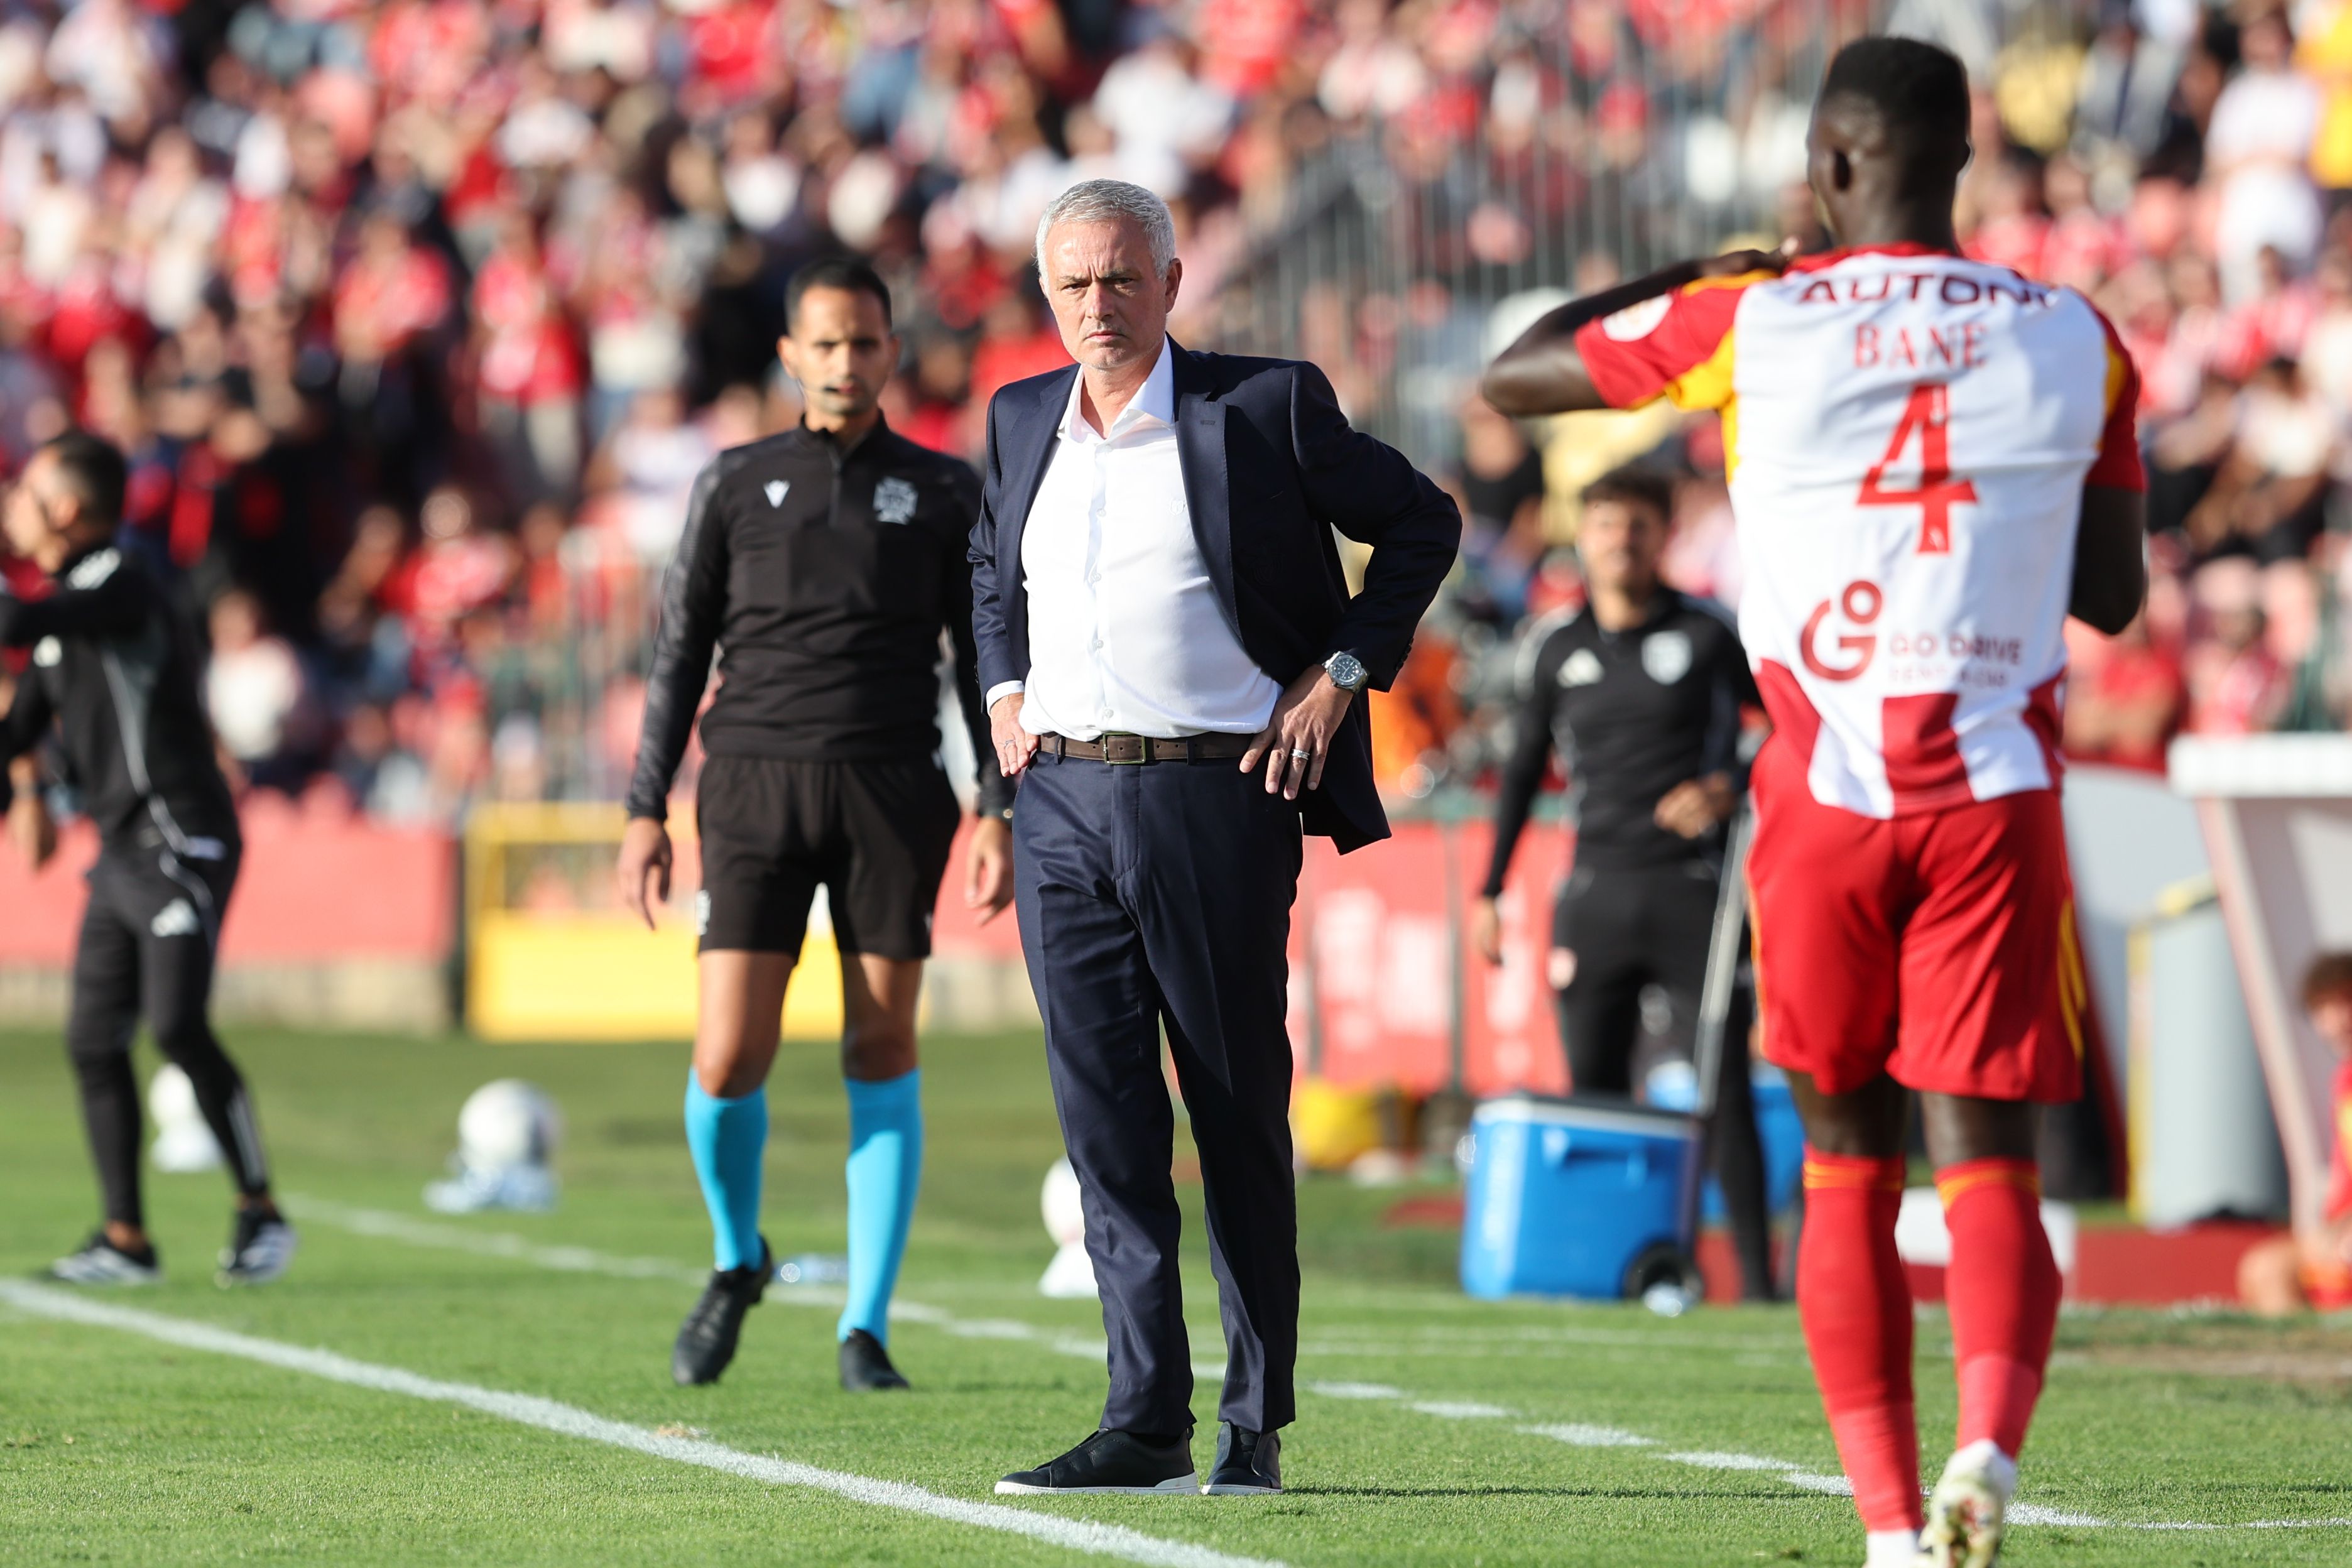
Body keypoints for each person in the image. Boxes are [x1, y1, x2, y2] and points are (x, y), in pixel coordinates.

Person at [1484, 36, 2148, 1568]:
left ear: (1828, 166)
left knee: (1844, 1158)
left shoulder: (1757, 316)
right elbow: (2111, 595)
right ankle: (1989, 1441)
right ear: (1961, 160)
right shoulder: (2079, 337)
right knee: (1987, 1155)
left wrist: (1705, 268)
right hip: (1992, 788)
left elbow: (1518, 371)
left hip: (1825, 794)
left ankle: (1891, 1532)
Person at [974, 179, 1458, 1498]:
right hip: (1059, 803)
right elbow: (988, 568)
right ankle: (1144, 1419)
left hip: (1212, 794)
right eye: (1074, 283)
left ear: (1172, 283)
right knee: (1104, 1126)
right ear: (1046, 294)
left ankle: (1252, 1424)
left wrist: (1341, 675)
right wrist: (1003, 688)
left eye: (1122, 278)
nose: (1099, 304)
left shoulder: (1263, 405)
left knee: (1235, 1111)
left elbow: (1422, 522)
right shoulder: (1018, 417)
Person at [615, 256, 1015, 1393]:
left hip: (893, 790)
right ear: (790, 354)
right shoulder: (734, 483)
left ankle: (865, 1327)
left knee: (879, 1048)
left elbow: (979, 660)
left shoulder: (944, 491)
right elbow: (678, 654)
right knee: (727, 1056)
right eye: (826, 344)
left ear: (893, 352)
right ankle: (735, 1256)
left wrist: (996, 802)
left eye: (865, 343)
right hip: (750, 787)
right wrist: (643, 806)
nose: (846, 362)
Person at [1471, 464, 1776, 1302]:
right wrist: (1491, 890)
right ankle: (1600, 1271)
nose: (1621, 541)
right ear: (1583, 535)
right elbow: (1523, 772)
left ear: (1663, 537)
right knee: (1594, 1094)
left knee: (1724, 1090)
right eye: (1606, 524)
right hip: (1595, 893)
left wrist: (1728, 787)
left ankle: (1758, 1285)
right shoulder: (1555, 645)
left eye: (1638, 526)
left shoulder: (1708, 634)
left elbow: (1785, 731)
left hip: (1693, 893)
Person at [0, 430, 296, 1287]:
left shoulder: (123, 582)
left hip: (181, 839)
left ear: (65, 508)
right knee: (93, 1041)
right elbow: (14, 740)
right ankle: (125, 1238)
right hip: (120, 854)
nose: (11, 505)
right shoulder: (61, 621)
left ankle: (261, 1210)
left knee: (175, 1026)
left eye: (23, 491)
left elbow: (18, 620)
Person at [2238, 952, 2352, 1315]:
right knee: (2266, 1270)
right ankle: (2306, 1351)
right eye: (2324, 1007)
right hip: (2340, 1229)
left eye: (2346, 1001)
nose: (2338, 1018)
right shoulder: (2344, 1080)